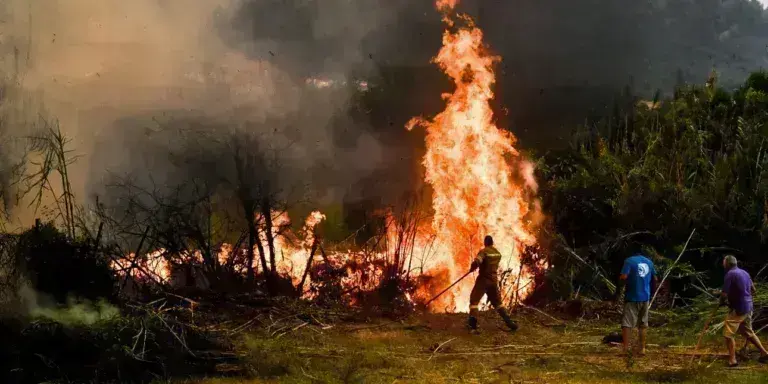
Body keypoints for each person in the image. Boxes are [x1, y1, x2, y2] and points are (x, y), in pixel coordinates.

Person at [719, 255, 768, 367]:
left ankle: (732, 360)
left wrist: (722, 301)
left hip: (739, 309)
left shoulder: (730, 274)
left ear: (727, 263)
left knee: (728, 334)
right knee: (748, 332)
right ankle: (764, 353)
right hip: (748, 307)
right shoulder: (745, 273)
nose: (723, 263)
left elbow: (724, 294)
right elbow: (753, 289)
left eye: (723, 262)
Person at [467, 235, 518, 332]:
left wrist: (472, 268)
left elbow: (477, 261)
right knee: (498, 303)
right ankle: (509, 322)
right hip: (494, 281)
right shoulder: (497, 253)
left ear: (485, 243)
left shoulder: (484, 252)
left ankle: (472, 325)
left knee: (474, 300)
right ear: (492, 242)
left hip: (483, 280)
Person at [618, 249, 657, 355]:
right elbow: (655, 278)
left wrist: (619, 289)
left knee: (627, 323)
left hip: (632, 296)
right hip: (645, 297)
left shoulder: (629, 261)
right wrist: (651, 293)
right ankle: (642, 349)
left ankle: (626, 349)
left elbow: (624, 277)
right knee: (643, 324)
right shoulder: (649, 262)